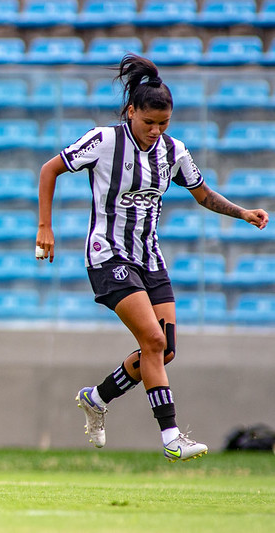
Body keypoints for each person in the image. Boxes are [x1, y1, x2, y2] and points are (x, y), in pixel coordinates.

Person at [36, 54, 269, 462]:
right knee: (153, 341)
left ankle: (97, 397)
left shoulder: (173, 151)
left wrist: (243, 213)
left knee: (165, 350)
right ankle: (171, 436)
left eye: (164, 123)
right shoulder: (105, 141)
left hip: (150, 256)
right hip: (108, 254)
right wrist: (45, 227)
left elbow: (204, 194)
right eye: (149, 123)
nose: (156, 131)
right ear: (131, 112)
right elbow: (49, 169)